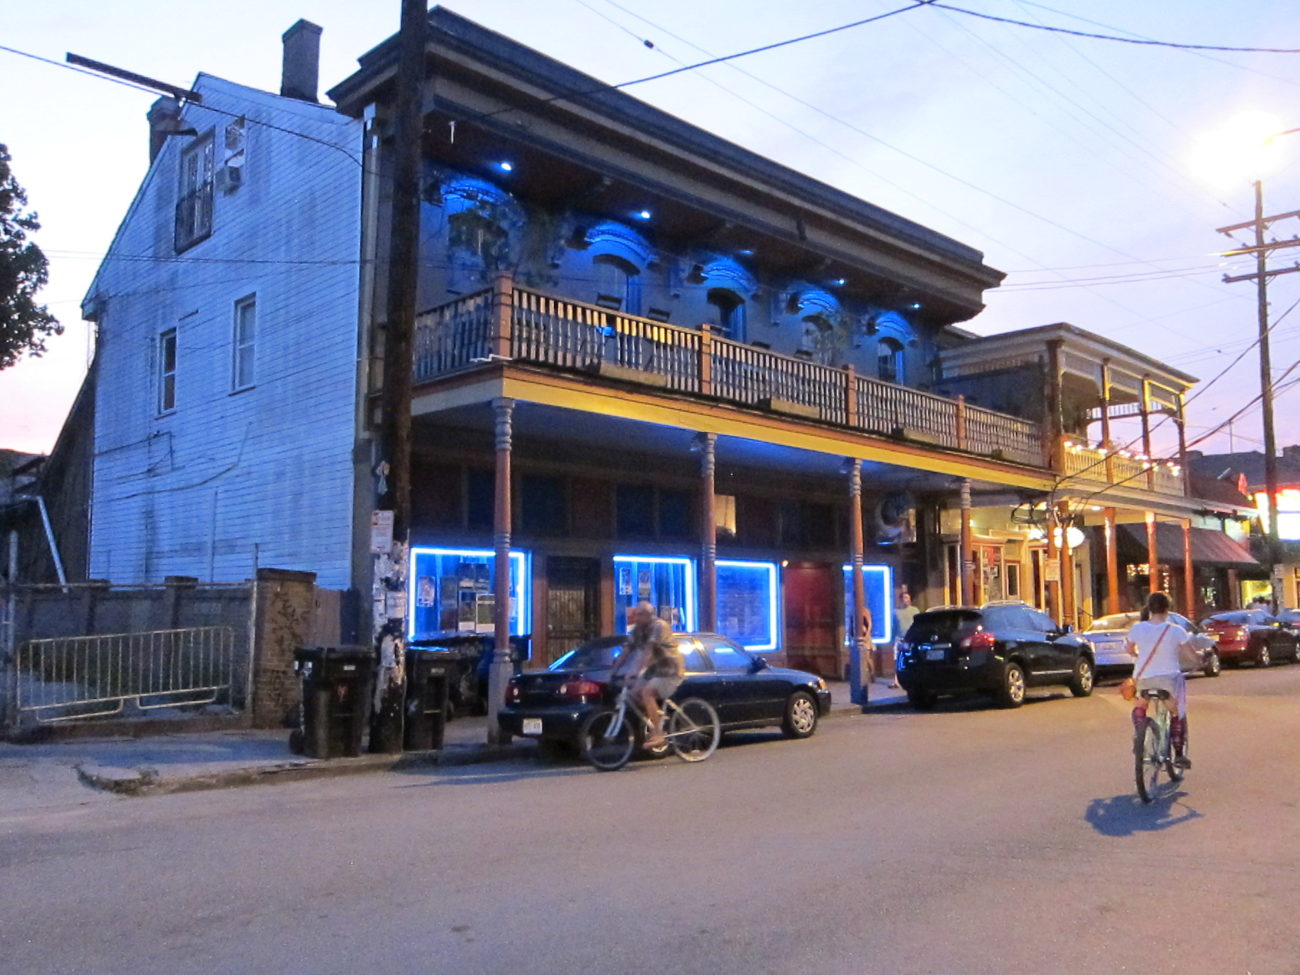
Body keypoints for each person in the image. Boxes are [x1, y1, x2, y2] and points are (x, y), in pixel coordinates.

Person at [1124, 591, 1195, 769]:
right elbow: (1190, 655)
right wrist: (1198, 661)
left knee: (1140, 706)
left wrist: (1136, 654)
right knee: (1176, 712)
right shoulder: (1176, 630)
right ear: (1167, 609)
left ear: (1150, 608)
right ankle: (1179, 754)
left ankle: (1140, 734)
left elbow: (1130, 648)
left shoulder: (1137, 628)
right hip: (1168, 680)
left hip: (1144, 678)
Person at [612, 601, 685, 749]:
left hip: (669, 670)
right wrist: (613, 672)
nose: (636, 618)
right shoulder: (637, 630)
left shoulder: (659, 626)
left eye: (639, 615)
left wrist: (635, 671)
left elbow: (648, 651)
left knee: (647, 693)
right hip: (653, 672)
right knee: (633, 694)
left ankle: (659, 734)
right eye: (634, 615)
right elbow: (626, 651)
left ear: (648, 615)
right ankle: (657, 718)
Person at [890, 587, 920, 689]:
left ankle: (912, 679)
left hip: (911, 638)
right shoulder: (896, 612)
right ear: (900, 599)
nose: (906, 600)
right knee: (897, 659)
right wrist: (892, 639)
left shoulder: (915, 610)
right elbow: (894, 626)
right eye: (904, 598)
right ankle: (896, 680)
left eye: (908, 598)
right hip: (899, 638)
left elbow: (917, 624)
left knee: (911, 658)